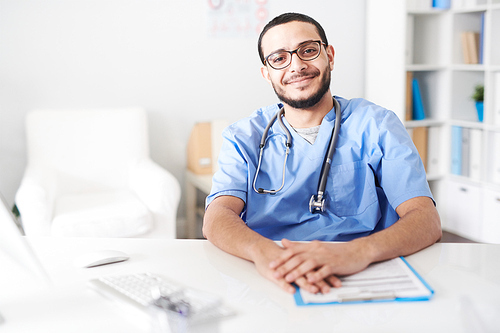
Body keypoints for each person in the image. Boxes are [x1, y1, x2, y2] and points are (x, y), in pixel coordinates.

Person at [202, 12, 441, 295]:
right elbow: (217, 217)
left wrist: (358, 253)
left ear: (329, 55)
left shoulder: (377, 125)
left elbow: (426, 219)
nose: (297, 66)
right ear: (267, 73)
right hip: (270, 271)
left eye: (308, 50)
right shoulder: (243, 137)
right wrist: (263, 253)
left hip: (362, 269)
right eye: (279, 58)